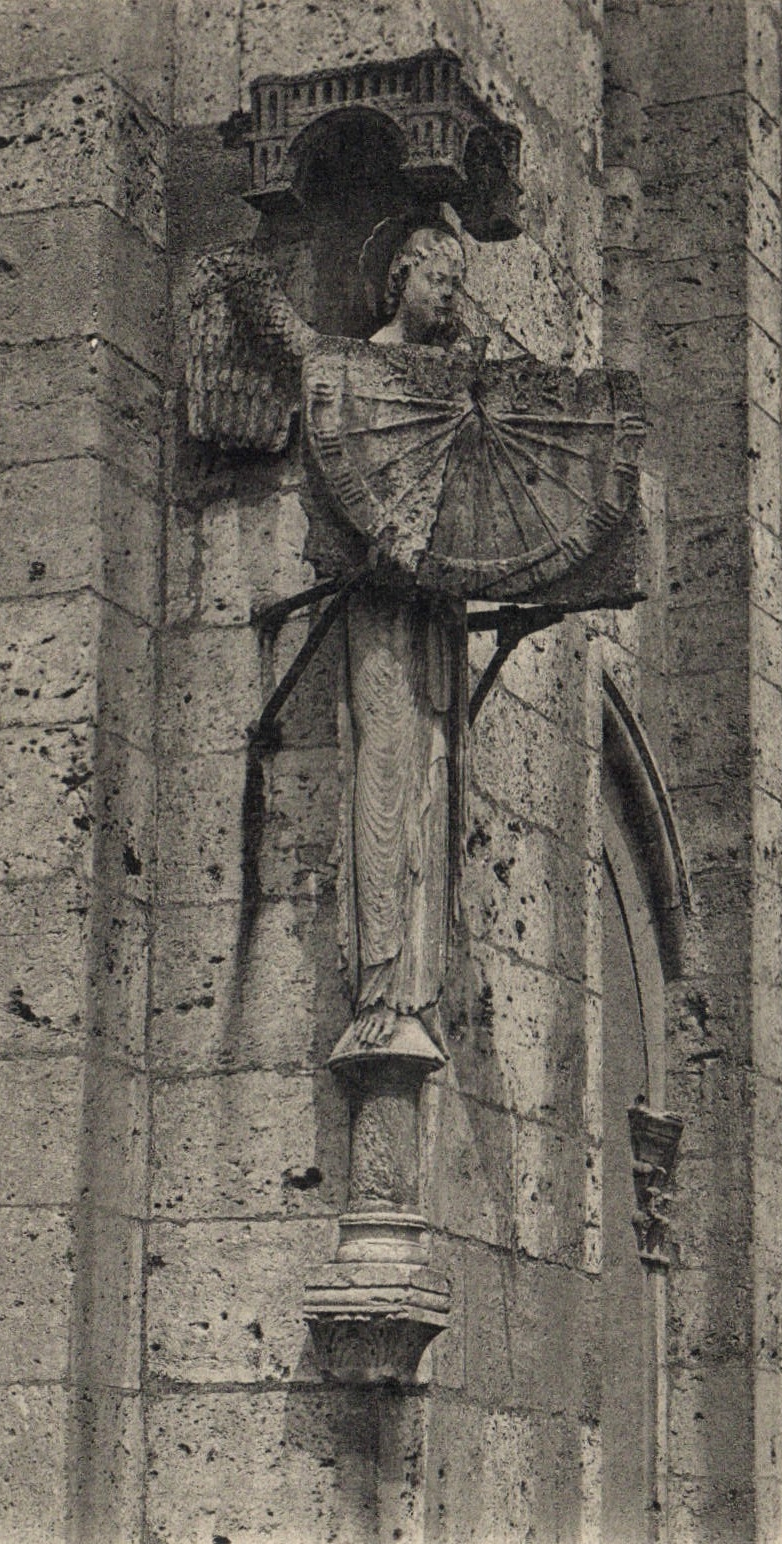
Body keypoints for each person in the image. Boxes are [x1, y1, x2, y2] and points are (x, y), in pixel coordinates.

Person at [341, 224, 468, 1051]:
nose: (447, 296)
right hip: (385, 601)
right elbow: (346, 470)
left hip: (436, 604)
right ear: (399, 279)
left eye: (456, 284)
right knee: (385, 766)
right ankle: (378, 978)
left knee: (435, 771)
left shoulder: (450, 375)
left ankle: (419, 980)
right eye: (436, 280)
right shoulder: (361, 367)